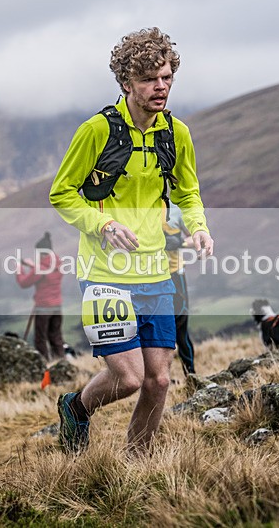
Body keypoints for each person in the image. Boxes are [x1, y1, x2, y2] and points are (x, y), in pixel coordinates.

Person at [49, 27, 213, 456]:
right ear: (126, 83)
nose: (160, 88)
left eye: (166, 78)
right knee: (129, 378)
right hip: (104, 273)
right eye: (149, 80)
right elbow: (62, 193)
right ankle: (77, 407)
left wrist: (198, 227)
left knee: (159, 379)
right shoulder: (96, 131)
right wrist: (101, 226)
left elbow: (187, 191)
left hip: (156, 273)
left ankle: (135, 466)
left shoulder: (176, 134)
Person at [16, 232, 66, 361]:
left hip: (43, 308)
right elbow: (46, 272)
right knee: (56, 337)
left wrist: (19, 269)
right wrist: (33, 266)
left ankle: (45, 365)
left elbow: (24, 283)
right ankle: (61, 364)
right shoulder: (58, 264)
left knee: (40, 339)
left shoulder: (39, 268)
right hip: (57, 307)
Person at [163, 204, 196, 376]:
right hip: (149, 275)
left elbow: (194, 237)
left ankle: (190, 375)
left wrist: (181, 242)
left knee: (181, 328)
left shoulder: (175, 210)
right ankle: (159, 379)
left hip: (175, 273)